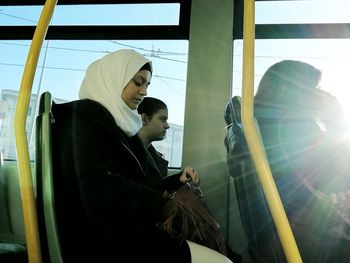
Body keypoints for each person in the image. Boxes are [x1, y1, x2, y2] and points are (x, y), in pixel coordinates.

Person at [51, 49, 233, 262]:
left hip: (122, 228)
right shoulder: (81, 119)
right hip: (101, 238)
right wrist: (162, 205)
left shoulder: (114, 127)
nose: (144, 91)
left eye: (147, 85)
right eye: (138, 82)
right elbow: (91, 185)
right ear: (113, 79)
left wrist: (175, 182)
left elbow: (135, 184)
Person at [252, 60, 350, 262]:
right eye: (314, 88)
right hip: (312, 233)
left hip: (283, 231)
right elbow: (340, 175)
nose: (320, 93)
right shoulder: (291, 125)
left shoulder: (261, 123)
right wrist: (336, 120)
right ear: (296, 92)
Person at [137, 96, 170, 178]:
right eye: (163, 119)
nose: (167, 126)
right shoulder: (129, 156)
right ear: (144, 119)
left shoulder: (155, 156)